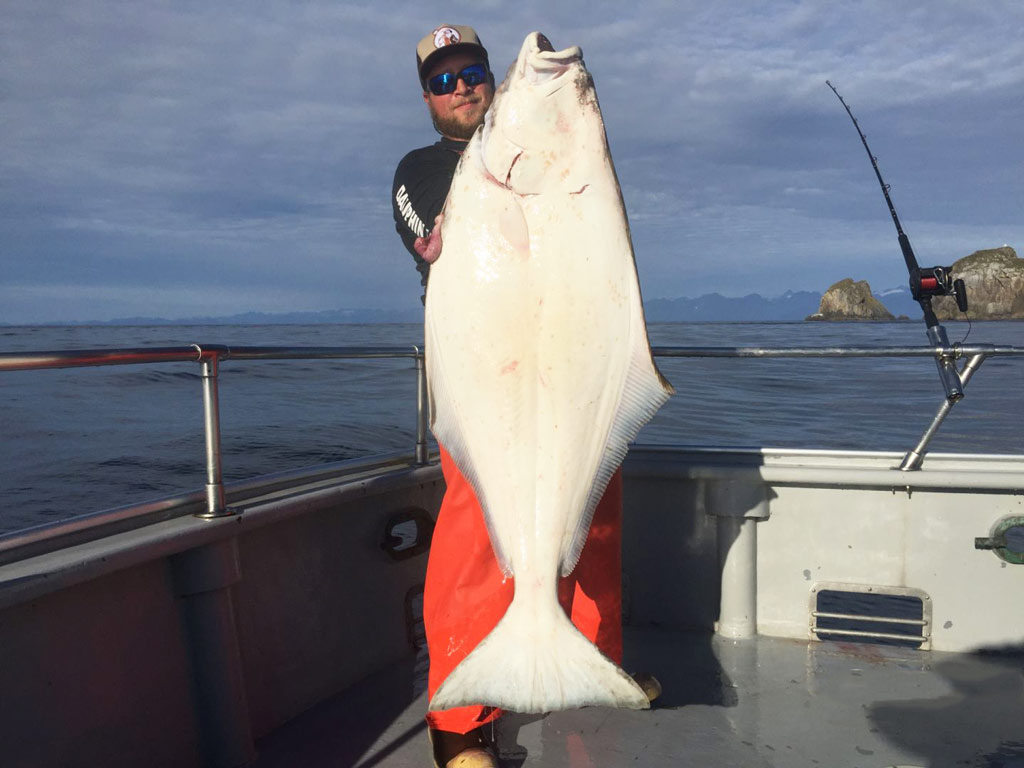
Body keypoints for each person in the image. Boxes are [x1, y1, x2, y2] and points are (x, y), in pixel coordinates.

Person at [392, 24, 650, 768]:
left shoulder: (560, 163)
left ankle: (595, 664)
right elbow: (435, 229)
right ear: (428, 99)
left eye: (472, 72)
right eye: (444, 81)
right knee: (476, 541)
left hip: (568, 370)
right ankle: (460, 728)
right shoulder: (423, 171)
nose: (463, 86)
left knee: (594, 523)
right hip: (490, 386)